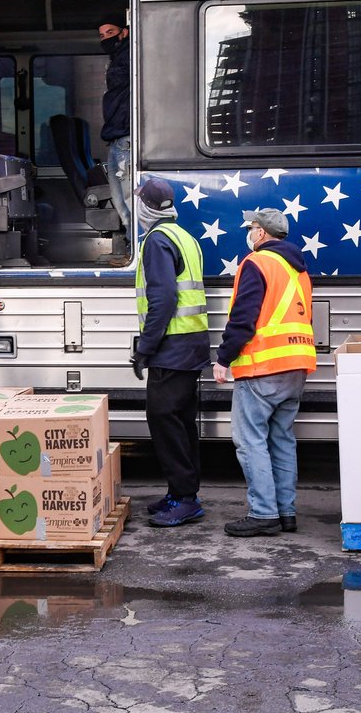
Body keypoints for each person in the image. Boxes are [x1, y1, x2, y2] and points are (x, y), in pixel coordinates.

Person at [213, 208, 315, 537]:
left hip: (263, 368)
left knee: (250, 441)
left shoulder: (256, 263)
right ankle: (286, 513)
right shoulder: (298, 269)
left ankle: (263, 513)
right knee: (282, 440)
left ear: (262, 233)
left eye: (252, 227)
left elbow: (243, 319)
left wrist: (223, 358)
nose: (249, 232)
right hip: (296, 366)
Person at [130, 178, 211, 528]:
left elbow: (163, 299)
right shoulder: (186, 236)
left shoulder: (156, 241)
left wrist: (145, 348)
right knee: (180, 422)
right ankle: (181, 491)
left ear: (146, 207)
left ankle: (185, 498)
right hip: (191, 346)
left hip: (171, 349)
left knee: (163, 420)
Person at [97, 13, 132, 231]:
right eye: (101, 35)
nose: (105, 39)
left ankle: (136, 247)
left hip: (124, 136)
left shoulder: (130, 55)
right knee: (120, 200)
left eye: (110, 32)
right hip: (115, 137)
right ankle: (131, 244)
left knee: (128, 198)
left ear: (124, 32)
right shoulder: (117, 57)